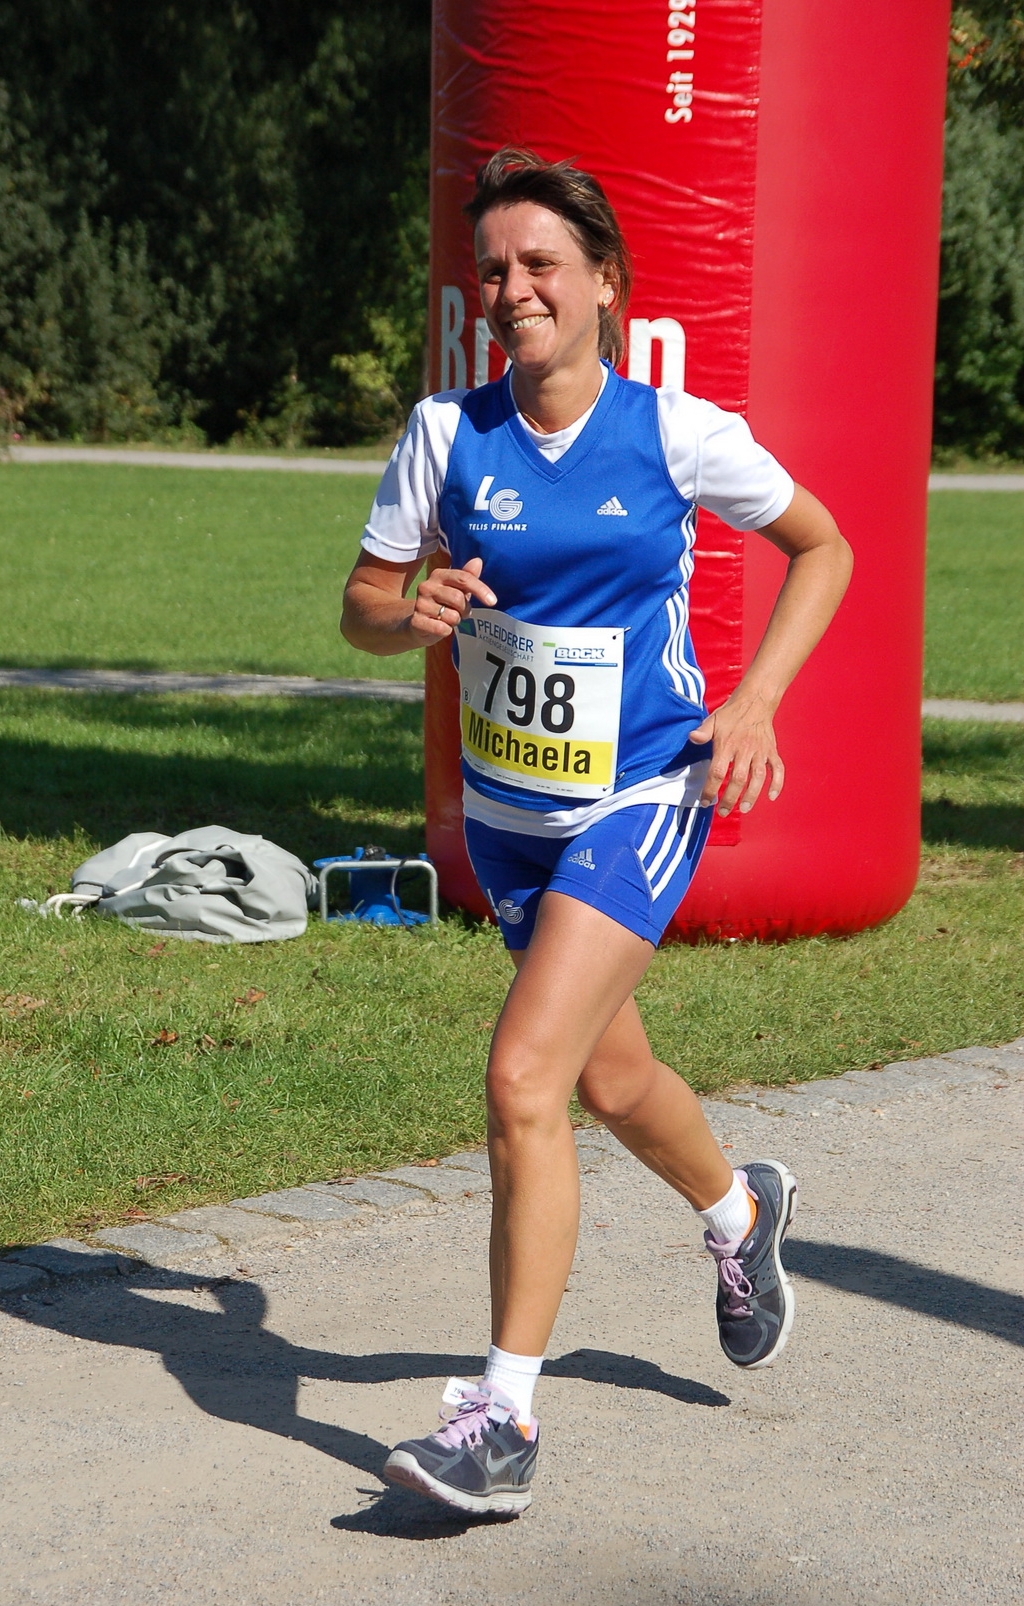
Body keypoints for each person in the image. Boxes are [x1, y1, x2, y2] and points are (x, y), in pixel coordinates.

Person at [340, 147, 852, 1516]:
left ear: (602, 286)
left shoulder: (673, 433)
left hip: (640, 792)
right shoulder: (445, 437)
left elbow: (823, 545)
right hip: (510, 820)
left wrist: (753, 700)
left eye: (540, 266)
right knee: (610, 1081)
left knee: (523, 1078)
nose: (513, 288)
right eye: (494, 269)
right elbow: (361, 603)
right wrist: (412, 616)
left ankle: (500, 1418)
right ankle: (740, 1212)